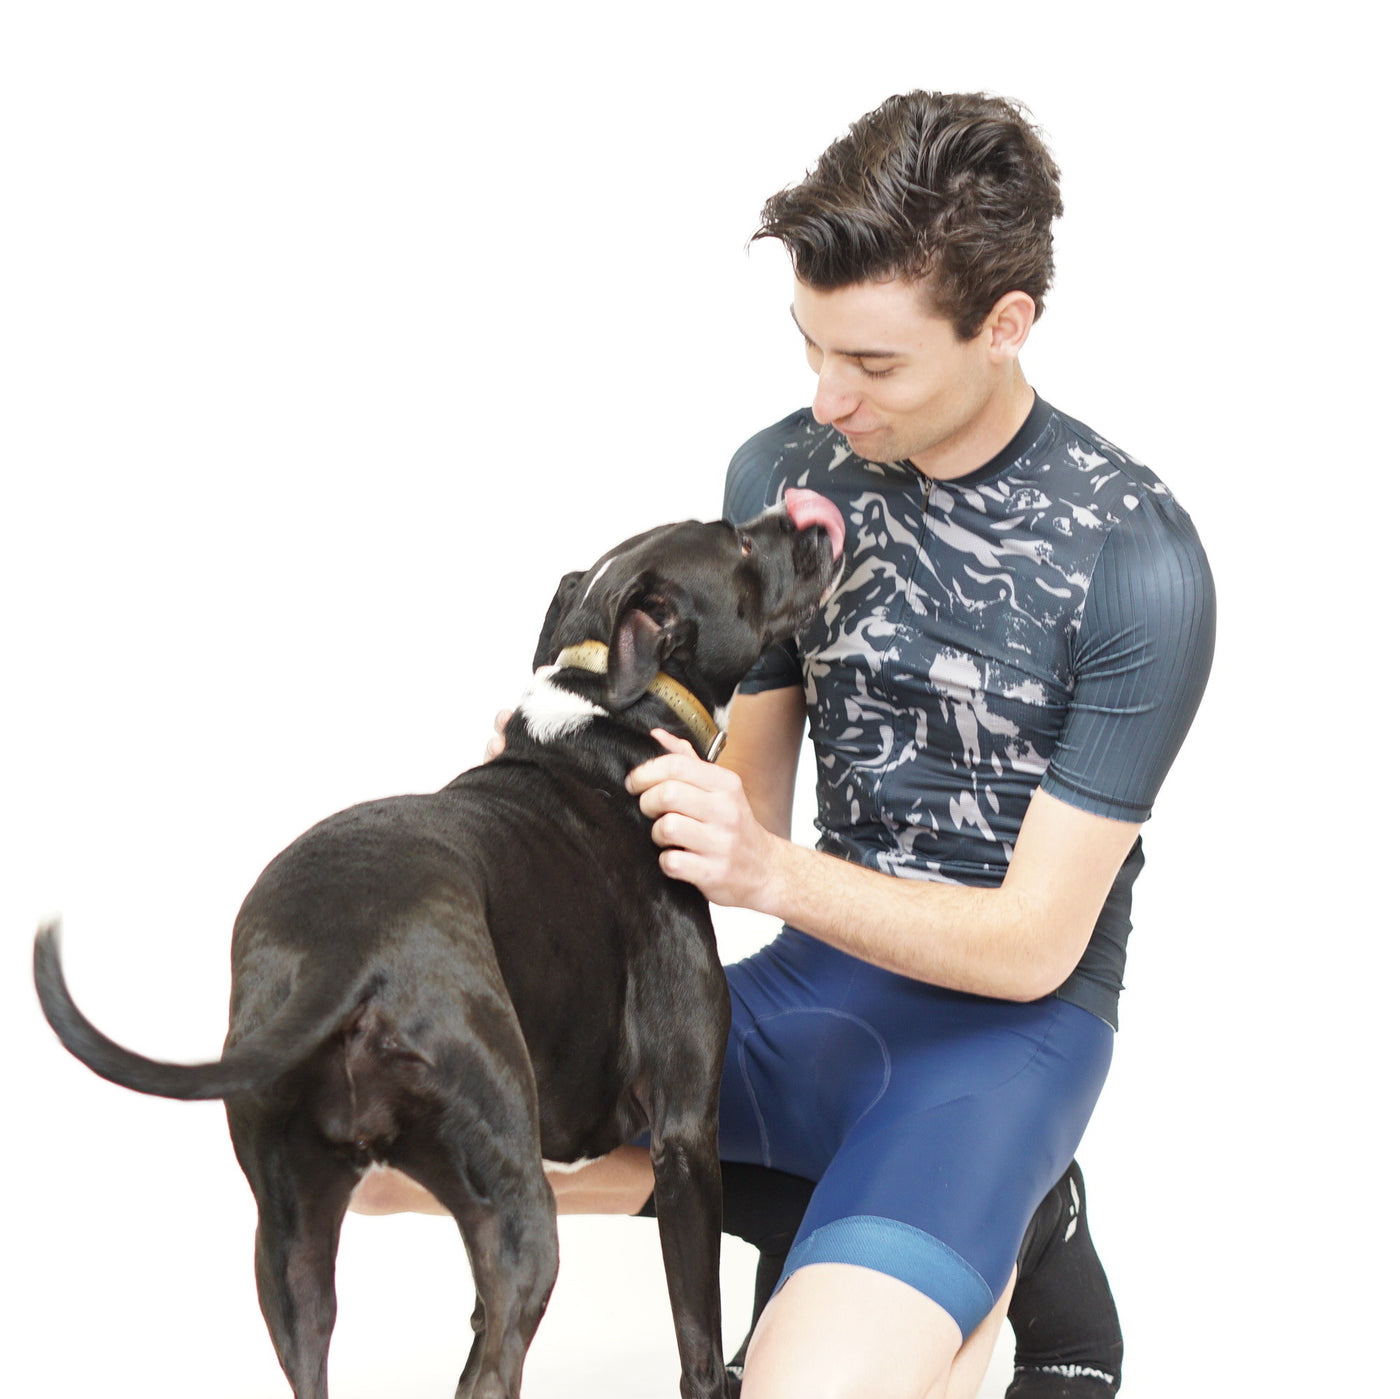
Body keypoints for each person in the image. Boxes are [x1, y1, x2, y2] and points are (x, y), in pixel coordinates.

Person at [355, 90, 1214, 1399]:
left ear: (1005, 325)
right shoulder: (783, 476)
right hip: (815, 989)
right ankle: (825, 1199)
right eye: (810, 346)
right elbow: (742, 801)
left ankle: (1011, 1207)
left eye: (874, 364)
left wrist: (767, 872)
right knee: (369, 1155)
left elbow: (1036, 942)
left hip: (1012, 1039)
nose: (829, 397)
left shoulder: (1136, 559)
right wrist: (573, 778)